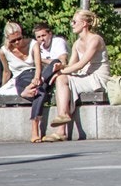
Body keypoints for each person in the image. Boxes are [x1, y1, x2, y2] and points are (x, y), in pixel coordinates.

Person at [46, 9, 109, 142]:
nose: (72, 24)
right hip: (84, 76)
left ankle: (61, 128)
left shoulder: (95, 40)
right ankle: (62, 124)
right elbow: (72, 66)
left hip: (97, 78)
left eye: (74, 22)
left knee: (62, 79)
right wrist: (61, 68)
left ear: (84, 23)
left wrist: (62, 72)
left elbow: (81, 64)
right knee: (61, 79)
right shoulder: (76, 44)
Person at [29, 22, 67, 133]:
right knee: (39, 90)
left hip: (59, 75)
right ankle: (35, 126)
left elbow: (62, 62)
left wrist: (41, 59)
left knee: (55, 62)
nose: (42, 39)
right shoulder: (36, 47)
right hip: (45, 79)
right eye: (38, 37)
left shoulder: (58, 42)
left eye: (44, 35)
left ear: (50, 34)